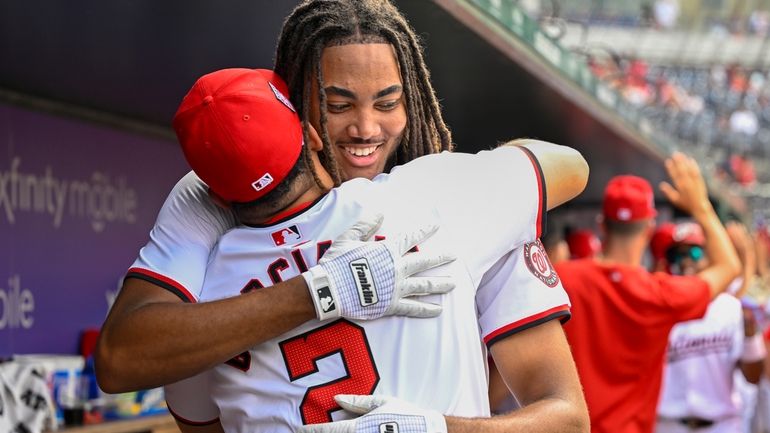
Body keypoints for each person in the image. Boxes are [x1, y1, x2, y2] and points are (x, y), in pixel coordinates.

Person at [94, 1, 590, 431]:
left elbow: (565, 418)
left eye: (387, 102)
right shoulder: (451, 197)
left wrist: (439, 427)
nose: (366, 128)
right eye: (338, 103)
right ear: (298, 114)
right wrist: (320, 290)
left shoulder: (464, 202)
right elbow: (124, 357)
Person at [557, 161, 742, 433]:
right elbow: (729, 267)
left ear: (602, 225)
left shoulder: (562, 279)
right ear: (649, 228)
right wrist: (700, 206)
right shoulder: (658, 293)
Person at [654, 221, 765, 433]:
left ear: (711, 255)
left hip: (721, 425)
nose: (686, 261)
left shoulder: (730, 307)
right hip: (669, 424)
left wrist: (750, 337)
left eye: (695, 253)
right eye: (676, 255)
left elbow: (754, 377)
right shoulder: (659, 306)